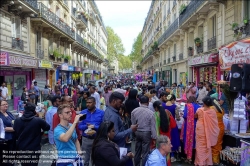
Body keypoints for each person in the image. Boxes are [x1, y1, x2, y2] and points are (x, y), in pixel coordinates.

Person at [131, 96, 157, 166]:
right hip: (146, 133)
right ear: (148, 103)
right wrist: (154, 137)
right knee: (145, 152)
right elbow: (153, 126)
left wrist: (133, 132)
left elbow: (133, 123)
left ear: (140, 102)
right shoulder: (151, 113)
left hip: (137, 132)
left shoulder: (134, 111)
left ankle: (136, 164)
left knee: (137, 150)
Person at [78, 97, 104, 166]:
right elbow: (79, 126)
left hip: (97, 140)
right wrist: (87, 126)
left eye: (90, 103)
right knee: (85, 160)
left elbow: (103, 127)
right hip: (86, 140)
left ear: (94, 103)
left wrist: (94, 127)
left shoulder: (101, 113)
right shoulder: (83, 113)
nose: (88, 104)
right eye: (87, 103)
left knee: (96, 159)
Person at [194, 96, 220, 166]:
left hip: (200, 129)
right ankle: (206, 162)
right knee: (206, 145)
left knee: (200, 145)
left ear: (204, 103)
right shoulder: (212, 111)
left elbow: (195, 116)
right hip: (208, 130)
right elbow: (215, 124)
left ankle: (200, 162)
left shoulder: (199, 110)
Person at [152, 100, 176, 166]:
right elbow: (173, 125)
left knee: (160, 151)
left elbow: (155, 127)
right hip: (167, 135)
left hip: (159, 136)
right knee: (167, 151)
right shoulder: (168, 112)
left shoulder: (155, 115)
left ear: (156, 108)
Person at [181, 96, 200, 163]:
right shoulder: (198, 106)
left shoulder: (188, 106)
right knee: (194, 140)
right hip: (196, 124)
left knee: (188, 139)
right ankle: (194, 157)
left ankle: (188, 157)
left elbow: (185, 116)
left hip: (188, 126)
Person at [164, 94, 180, 162]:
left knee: (165, 139)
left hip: (164, 124)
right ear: (173, 100)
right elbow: (178, 118)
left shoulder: (162, 105)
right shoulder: (175, 107)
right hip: (172, 125)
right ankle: (172, 156)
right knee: (173, 139)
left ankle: (165, 154)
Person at [0, 100, 15, 166]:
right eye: (4, 104)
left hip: (13, 137)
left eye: (6, 104)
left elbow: (15, 121)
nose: (6, 105)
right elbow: (4, 128)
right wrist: (16, 128)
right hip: (6, 139)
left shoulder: (9, 113)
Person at [211, 99, 225, 165]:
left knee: (213, 145)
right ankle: (217, 160)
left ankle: (214, 161)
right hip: (221, 128)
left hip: (215, 128)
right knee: (218, 144)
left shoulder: (211, 108)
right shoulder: (221, 109)